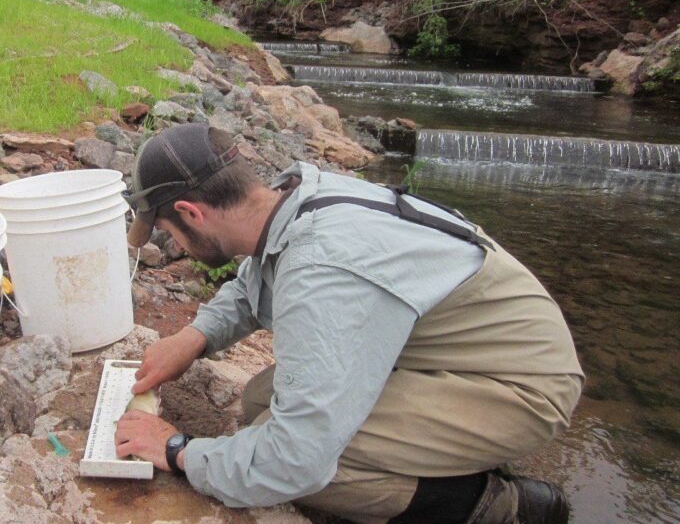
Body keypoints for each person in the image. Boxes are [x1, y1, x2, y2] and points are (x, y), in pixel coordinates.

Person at [114, 123, 583, 524]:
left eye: (169, 232)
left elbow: (293, 461)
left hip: (521, 386)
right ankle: (446, 454)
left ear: (191, 213)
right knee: (261, 402)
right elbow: (257, 276)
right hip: (462, 353)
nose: (172, 241)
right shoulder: (292, 198)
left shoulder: (321, 269)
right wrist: (194, 337)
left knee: (310, 472)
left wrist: (177, 450)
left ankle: (499, 503)